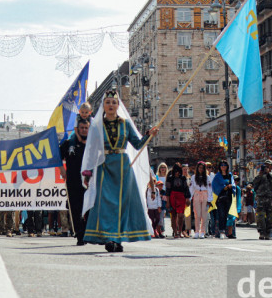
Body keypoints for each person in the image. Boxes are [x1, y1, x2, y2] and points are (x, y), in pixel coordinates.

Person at [81, 90, 159, 252]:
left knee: (122, 205)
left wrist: (148, 136)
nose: (111, 105)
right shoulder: (97, 125)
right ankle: (110, 238)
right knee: (106, 204)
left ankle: (118, 238)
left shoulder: (125, 124)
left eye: (114, 102)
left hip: (123, 167)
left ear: (118, 105)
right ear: (103, 105)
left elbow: (137, 144)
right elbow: (92, 150)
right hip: (104, 166)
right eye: (108, 102)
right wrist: (88, 172)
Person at [59, 117, 91, 245]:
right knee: (75, 208)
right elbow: (58, 156)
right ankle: (79, 234)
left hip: (89, 181)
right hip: (73, 179)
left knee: (88, 208)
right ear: (77, 129)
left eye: (86, 128)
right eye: (82, 128)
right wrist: (62, 169)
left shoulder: (92, 143)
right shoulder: (69, 143)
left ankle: (87, 231)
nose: (84, 130)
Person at [252, 161, 272, 240]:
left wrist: (269, 174)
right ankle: (261, 232)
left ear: (271, 166)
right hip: (261, 197)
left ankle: (268, 233)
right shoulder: (260, 174)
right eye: (265, 165)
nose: (266, 167)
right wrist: (260, 175)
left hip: (271, 198)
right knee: (260, 216)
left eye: (268, 165)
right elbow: (254, 182)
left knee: (271, 216)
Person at [211, 160, 236, 239]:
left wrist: (231, 186)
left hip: (228, 197)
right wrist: (223, 187)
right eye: (221, 165)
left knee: (225, 214)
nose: (223, 167)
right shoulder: (217, 176)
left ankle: (225, 231)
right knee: (221, 214)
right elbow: (214, 186)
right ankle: (221, 231)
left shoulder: (230, 175)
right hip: (220, 198)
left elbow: (233, 183)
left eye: (224, 165)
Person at [166, 163, 191, 239]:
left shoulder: (183, 178)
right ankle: (175, 232)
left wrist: (187, 198)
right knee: (173, 215)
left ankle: (180, 231)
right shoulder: (170, 178)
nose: (177, 173)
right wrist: (168, 201)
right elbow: (168, 190)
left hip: (181, 197)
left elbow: (186, 188)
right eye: (176, 171)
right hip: (172, 196)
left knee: (180, 215)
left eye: (179, 171)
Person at [189, 161, 212, 238]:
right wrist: (189, 198)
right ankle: (196, 231)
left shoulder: (207, 177)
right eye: (199, 167)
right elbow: (191, 188)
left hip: (205, 195)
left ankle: (203, 231)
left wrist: (209, 199)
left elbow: (209, 188)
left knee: (204, 215)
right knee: (197, 214)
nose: (201, 169)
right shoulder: (193, 177)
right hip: (197, 195)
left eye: (202, 168)